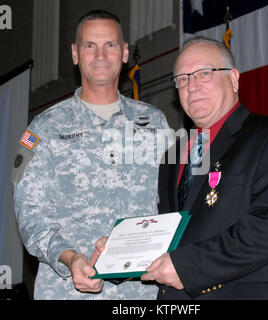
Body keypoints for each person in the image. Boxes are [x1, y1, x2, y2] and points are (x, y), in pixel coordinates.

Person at [13, 10, 171, 300]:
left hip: (141, 293)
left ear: (124, 53)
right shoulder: (43, 129)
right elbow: (31, 213)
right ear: (75, 53)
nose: (100, 55)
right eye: (89, 45)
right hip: (66, 292)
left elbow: (171, 203)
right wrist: (70, 257)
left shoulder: (154, 122)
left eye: (110, 45)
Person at [140, 37, 268, 299]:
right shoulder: (172, 155)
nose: (192, 86)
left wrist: (187, 266)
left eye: (203, 73)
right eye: (182, 79)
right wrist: (119, 253)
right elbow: (172, 234)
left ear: (234, 78)